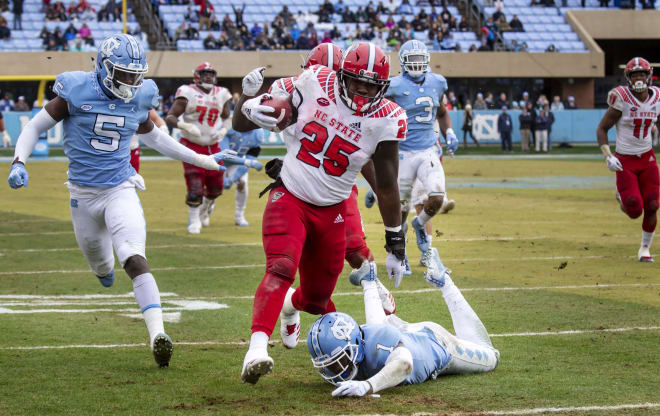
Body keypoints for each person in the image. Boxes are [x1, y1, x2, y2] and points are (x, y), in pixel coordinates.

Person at [7, 34, 231, 367]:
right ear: (103, 68)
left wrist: (206, 160)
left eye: (134, 75)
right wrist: (18, 161)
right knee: (101, 266)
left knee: (133, 256)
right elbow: (35, 127)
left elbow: (156, 138)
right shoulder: (76, 90)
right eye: (123, 74)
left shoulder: (140, 95)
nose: (129, 82)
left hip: (119, 187)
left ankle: (158, 335)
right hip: (82, 194)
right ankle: (103, 272)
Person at [233, 42, 407, 385]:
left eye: (372, 85)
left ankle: (289, 306)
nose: (363, 91)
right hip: (291, 194)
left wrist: (395, 240)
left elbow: (386, 184)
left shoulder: (387, 118)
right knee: (281, 266)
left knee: (315, 299)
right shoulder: (313, 81)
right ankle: (255, 350)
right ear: (342, 76)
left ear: (383, 87)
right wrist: (248, 101)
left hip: (332, 211)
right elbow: (243, 123)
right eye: (358, 82)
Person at [268, 42, 398, 344]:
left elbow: (362, 152)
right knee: (294, 260)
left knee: (355, 250)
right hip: (297, 188)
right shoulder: (293, 88)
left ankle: (372, 286)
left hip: (337, 187)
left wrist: (380, 191)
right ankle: (293, 308)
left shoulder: (349, 98)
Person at [307, 248, 499, 396]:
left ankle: (445, 282)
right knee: (378, 331)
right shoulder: (368, 337)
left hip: (436, 341)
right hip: (400, 334)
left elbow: (405, 364)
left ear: (354, 347)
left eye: (337, 363)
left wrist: (367, 386)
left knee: (491, 357)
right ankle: (368, 281)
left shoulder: (379, 342)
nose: (333, 371)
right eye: (328, 365)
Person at [384, 39, 459, 266]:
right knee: (402, 209)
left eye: (420, 59)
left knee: (436, 197)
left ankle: (421, 232)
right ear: (403, 62)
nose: (416, 64)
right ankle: (400, 253)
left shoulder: (437, 83)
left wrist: (450, 133)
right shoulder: (393, 86)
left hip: (428, 150)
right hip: (403, 153)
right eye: (412, 60)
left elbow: (443, 111)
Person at [596, 57, 660, 262]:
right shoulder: (621, 97)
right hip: (626, 160)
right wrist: (608, 156)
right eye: (635, 74)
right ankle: (622, 197)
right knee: (633, 209)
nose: (639, 78)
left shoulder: (657, 96)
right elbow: (602, 128)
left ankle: (644, 249)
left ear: (648, 76)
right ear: (628, 78)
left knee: (652, 204)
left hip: (647, 158)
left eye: (642, 74)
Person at [165, 62, 233, 233]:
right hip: (191, 145)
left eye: (211, 73)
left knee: (216, 187)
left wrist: (224, 129)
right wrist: (185, 126)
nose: (208, 76)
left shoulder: (222, 93)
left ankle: (205, 209)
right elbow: (171, 117)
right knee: (195, 181)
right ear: (197, 75)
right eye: (204, 73)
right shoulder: (187, 92)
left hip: (213, 146)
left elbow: (227, 116)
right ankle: (193, 219)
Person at [219, 128, 265, 226]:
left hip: (238, 161)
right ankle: (206, 210)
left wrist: (233, 179)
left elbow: (249, 159)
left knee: (242, 185)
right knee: (213, 188)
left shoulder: (258, 133)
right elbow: (224, 155)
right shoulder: (229, 126)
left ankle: (239, 216)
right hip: (218, 159)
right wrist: (247, 162)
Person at [128, 108, 168, 173]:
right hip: (111, 152)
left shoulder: (139, 99)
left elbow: (155, 118)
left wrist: (163, 128)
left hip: (132, 149)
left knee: (132, 180)